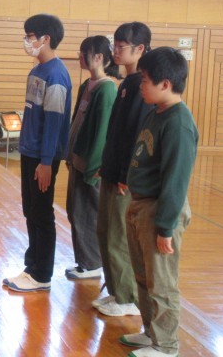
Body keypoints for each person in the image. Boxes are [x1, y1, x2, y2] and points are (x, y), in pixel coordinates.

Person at [119, 47, 197, 357]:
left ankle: (165, 345)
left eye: (145, 80)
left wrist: (165, 227)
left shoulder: (179, 123)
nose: (141, 85)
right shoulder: (156, 112)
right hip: (140, 204)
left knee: (162, 282)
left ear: (165, 84)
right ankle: (151, 332)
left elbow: (176, 180)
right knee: (143, 276)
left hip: (160, 210)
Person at [2, 13, 72, 292]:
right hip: (29, 152)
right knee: (30, 210)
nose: (26, 41)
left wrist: (46, 162)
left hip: (43, 157)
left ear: (46, 39)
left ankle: (42, 275)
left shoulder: (56, 75)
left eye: (30, 36)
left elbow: (54, 122)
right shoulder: (36, 71)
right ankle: (31, 267)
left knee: (42, 213)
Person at [95, 22, 153, 317]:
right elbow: (116, 134)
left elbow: (136, 138)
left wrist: (124, 176)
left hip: (124, 178)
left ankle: (127, 297)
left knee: (118, 236)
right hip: (111, 171)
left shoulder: (142, 86)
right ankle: (116, 290)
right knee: (104, 231)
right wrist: (106, 165)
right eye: (114, 45)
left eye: (121, 46)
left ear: (140, 48)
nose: (115, 51)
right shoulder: (126, 84)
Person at [65, 36, 118, 280]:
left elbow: (102, 132)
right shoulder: (88, 84)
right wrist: (69, 154)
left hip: (90, 165)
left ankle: (93, 263)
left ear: (98, 57)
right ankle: (85, 261)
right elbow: (77, 120)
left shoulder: (107, 89)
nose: (80, 57)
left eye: (83, 53)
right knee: (76, 211)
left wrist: (94, 167)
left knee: (87, 213)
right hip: (77, 159)